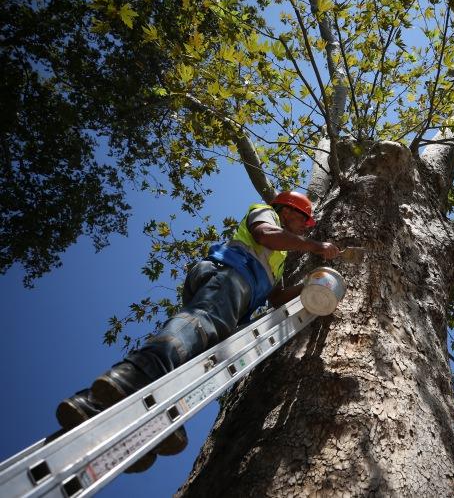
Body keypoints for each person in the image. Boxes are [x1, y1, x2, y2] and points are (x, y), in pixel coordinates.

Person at [54, 191, 339, 472]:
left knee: (200, 355)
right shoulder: (267, 213)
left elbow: (275, 299)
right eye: (305, 221)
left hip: (237, 295)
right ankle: (135, 374)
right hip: (228, 275)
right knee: (202, 324)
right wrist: (315, 245)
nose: (306, 226)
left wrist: (309, 287)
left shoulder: (277, 260)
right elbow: (265, 234)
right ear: (288, 211)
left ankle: (102, 407)